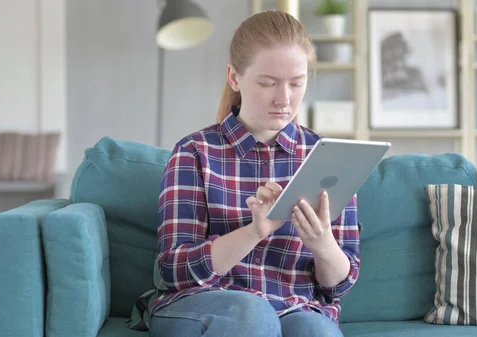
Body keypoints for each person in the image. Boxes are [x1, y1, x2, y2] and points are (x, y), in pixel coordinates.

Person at [149, 10, 361, 337]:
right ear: (234, 77)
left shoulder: (329, 158)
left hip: (296, 304)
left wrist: (322, 245)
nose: (284, 98)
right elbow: (175, 270)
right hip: (205, 301)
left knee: (313, 329)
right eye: (268, 83)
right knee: (251, 314)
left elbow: (338, 287)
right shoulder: (195, 153)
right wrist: (254, 231)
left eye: (297, 83)